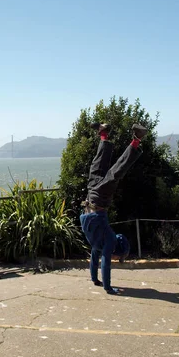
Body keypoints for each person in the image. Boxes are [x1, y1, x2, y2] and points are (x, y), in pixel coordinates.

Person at [79, 122, 147, 295]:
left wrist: (95, 279)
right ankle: (136, 140)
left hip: (91, 197)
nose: (116, 259)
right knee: (115, 172)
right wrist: (108, 288)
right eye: (119, 257)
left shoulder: (99, 244)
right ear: (118, 250)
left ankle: (104, 133)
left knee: (97, 166)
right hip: (98, 200)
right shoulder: (109, 240)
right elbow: (105, 264)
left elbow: (95, 259)